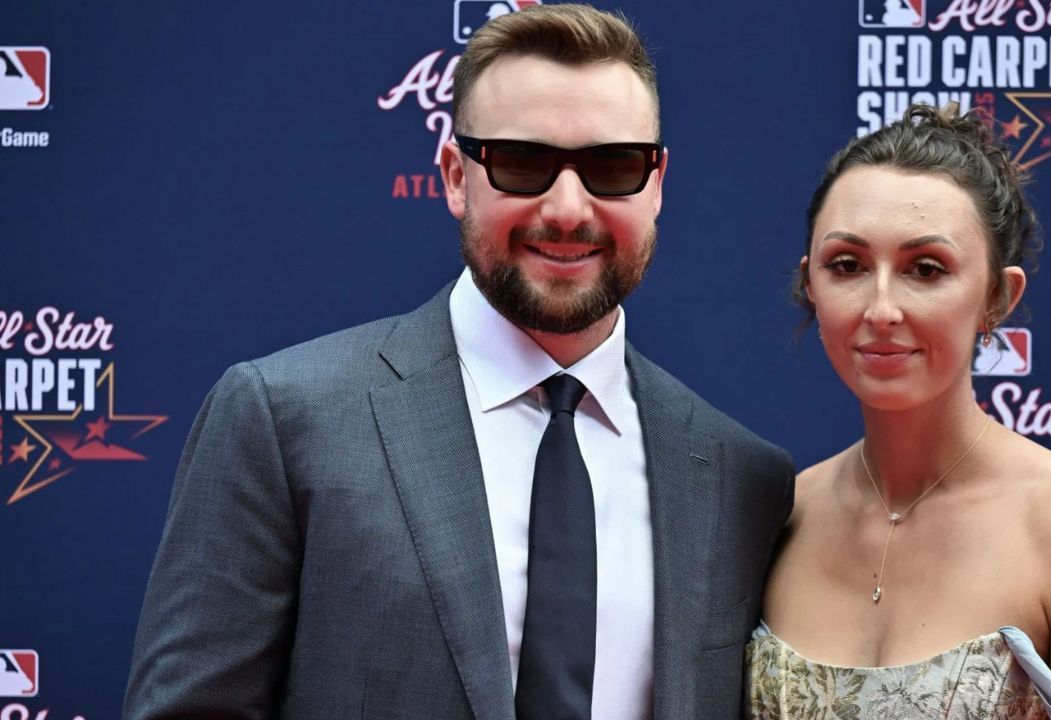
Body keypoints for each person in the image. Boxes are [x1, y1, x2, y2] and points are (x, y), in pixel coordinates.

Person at [122, 5, 794, 719]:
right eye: (523, 162)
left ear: (656, 184)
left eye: (613, 167)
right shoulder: (284, 420)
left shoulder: (738, 475)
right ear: (453, 175)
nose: (568, 208)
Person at [748, 104, 1051, 719]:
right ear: (812, 283)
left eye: (926, 270)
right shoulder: (777, 517)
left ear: (998, 295)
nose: (881, 307)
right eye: (848, 266)